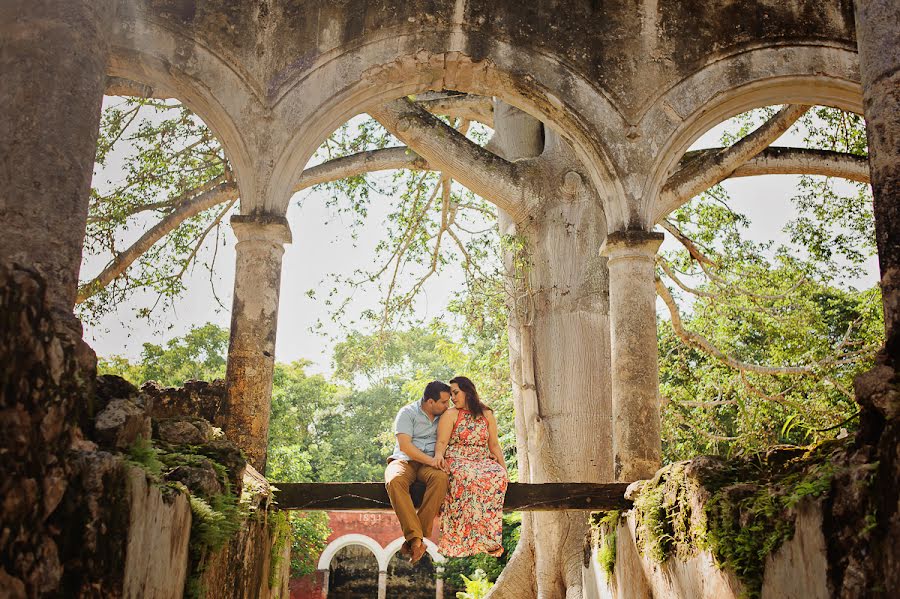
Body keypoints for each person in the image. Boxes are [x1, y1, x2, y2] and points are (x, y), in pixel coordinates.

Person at [434, 376, 508, 557]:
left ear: (468, 391)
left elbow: (494, 445)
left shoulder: (486, 414)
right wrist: (438, 457)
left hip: (481, 459)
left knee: (497, 475)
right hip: (458, 459)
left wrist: (504, 470)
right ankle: (464, 539)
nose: (453, 397)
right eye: (451, 394)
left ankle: (489, 539)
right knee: (467, 476)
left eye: (456, 392)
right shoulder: (451, 414)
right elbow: (442, 442)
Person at [385, 380, 452, 563]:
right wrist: (431, 460)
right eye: (444, 402)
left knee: (441, 478)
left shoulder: (446, 416)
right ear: (430, 402)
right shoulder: (407, 413)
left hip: (429, 466)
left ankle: (415, 539)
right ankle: (416, 540)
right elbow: (405, 446)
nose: (448, 406)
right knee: (394, 480)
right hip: (404, 460)